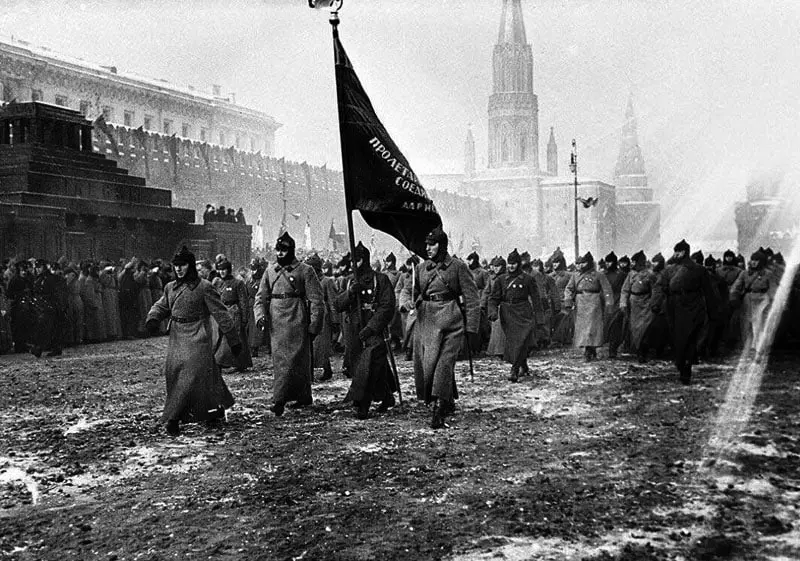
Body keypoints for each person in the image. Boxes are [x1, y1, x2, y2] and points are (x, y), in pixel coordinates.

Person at [146, 246, 241, 436]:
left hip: (198, 336)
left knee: (191, 375)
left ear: (190, 266)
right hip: (177, 337)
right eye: (176, 266)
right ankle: (214, 409)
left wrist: (233, 339)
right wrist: (153, 318)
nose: (179, 269)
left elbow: (221, 313)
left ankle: (173, 418)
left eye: (183, 265)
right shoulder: (170, 287)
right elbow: (162, 304)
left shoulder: (204, 286)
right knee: (180, 374)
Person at [403, 227, 480, 429]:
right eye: (426, 244)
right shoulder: (420, 269)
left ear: (442, 245)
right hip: (427, 321)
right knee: (429, 365)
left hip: (451, 321)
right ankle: (447, 398)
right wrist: (406, 303)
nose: (428, 248)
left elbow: (472, 298)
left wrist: (471, 328)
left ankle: (439, 407)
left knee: (444, 364)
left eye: (432, 244)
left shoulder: (457, 267)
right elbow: (407, 291)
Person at [254, 232, 324, 417]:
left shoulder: (305, 270)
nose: (280, 253)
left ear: (291, 251)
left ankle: (302, 396)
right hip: (276, 321)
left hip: (297, 317)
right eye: (278, 250)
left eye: (284, 250)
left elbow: (316, 300)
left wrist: (314, 325)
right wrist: (260, 316)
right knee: (280, 361)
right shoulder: (270, 271)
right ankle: (280, 399)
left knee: (298, 360)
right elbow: (260, 297)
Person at [334, 242, 397, 419]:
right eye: (353, 261)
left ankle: (363, 403)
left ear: (366, 260)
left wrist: (371, 328)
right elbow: (337, 305)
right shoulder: (349, 281)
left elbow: (387, 306)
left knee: (368, 365)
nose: (355, 265)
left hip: (373, 331)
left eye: (358, 261)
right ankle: (386, 396)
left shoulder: (380, 279)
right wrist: (350, 293)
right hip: (354, 331)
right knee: (365, 366)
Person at [653, 239, 718, 384]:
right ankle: (682, 362)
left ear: (684, 252)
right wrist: (655, 304)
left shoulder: (699, 270)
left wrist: (713, 312)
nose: (675, 254)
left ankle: (686, 368)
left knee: (689, 337)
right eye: (675, 251)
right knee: (677, 337)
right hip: (673, 306)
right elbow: (659, 287)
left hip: (693, 306)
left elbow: (708, 292)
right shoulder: (669, 270)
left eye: (678, 251)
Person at [488, 248, 541, 382]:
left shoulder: (528, 279)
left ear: (519, 264)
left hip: (523, 312)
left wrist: (540, 318)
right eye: (509, 263)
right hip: (508, 312)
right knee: (515, 341)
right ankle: (522, 364)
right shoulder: (501, 280)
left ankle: (514, 369)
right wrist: (493, 311)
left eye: (514, 263)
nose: (511, 266)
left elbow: (536, 298)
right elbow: (494, 298)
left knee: (522, 340)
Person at [563, 252, 614, 362]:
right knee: (582, 328)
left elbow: (607, 289)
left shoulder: (598, 275)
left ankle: (590, 350)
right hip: (580, 302)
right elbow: (569, 288)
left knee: (592, 328)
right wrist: (568, 300)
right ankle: (587, 349)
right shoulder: (575, 275)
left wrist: (609, 303)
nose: (580, 266)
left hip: (594, 302)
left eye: (583, 263)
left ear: (589, 263)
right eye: (579, 263)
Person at [729, 249, 779, 355]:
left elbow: (773, 289)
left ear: (761, 262)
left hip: (762, 299)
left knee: (759, 323)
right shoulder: (744, 273)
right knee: (746, 324)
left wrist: (772, 301)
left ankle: (758, 347)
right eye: (752, 260)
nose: (753, 262)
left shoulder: (768, 274)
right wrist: (734, 296)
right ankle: (747, 347)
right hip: (748, 298)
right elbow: (736, 286)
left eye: (756, 260)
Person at [212, 259, 253, 372]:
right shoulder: (217, 283)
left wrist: (244, 318)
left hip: (233, 311)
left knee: (236, 338)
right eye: (220, 270)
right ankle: (219, 361)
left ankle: (239, 363)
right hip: (221, 311)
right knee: (219, 337)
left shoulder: (238, 283)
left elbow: (243, 301)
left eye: (224, 269)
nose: (222, 272)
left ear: (229, 270)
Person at [619, 251, 657, 363]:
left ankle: (643, 352)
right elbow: (625, 290)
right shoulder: (631, 274)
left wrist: (653, 303)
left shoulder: (650, 274)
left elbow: (654, 290)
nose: (632, 264)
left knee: (644, 329)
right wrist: (623, 303)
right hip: (634, 305)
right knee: (635, 330)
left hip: (646, 305)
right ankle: (638, 351)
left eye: (634, 261)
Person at [306, 253, 336, 381]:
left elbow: (333, 302)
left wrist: (335, 321)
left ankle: (326, 370)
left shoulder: (327, 281)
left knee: (321, 346)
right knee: (309, 346)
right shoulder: (307, 281)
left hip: (323, 317)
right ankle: (310, 372)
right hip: (309, 315)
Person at [602, 251, 627, 359]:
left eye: (610, 262)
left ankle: (613, 349)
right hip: (606, 303)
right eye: (606, 261)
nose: (607, 264)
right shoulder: (603, 274)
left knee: (616, 326)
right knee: (607, 325)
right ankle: (610, 347)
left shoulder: (621, 275)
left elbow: (625, 289)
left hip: (617, 302)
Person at [466, 251, 491, 353]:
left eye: (470, 260)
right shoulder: (466, 271)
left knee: (480, 324)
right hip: (468, 299)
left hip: (479, 298)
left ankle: (479, 346)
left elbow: (487, 288)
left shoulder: (483, 272)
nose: (468, 262)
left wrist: (483, 302)